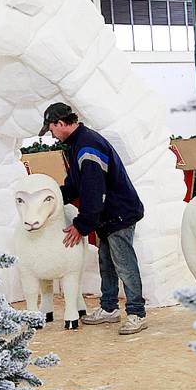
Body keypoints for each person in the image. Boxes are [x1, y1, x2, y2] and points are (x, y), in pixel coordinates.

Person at [38, 102, 148, 335]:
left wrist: (82, 225)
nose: (52, 134)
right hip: (107, 215)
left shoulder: (87, 146)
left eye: (51, 129)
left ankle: (137, 313)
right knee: (106, 264)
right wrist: (53, 196)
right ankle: (109, 308)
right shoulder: (76, 144)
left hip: (119, 213)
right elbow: (75, 185)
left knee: (125, 265)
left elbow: (93, 191)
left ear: (60, 123)